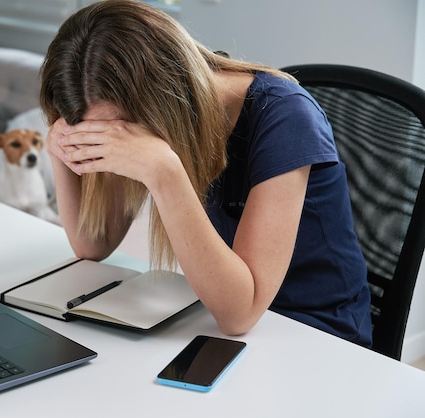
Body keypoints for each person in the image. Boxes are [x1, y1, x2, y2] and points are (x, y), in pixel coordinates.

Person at [39, 0, 372, 346]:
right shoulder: (141, 114)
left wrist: (165, 173)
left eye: (119, 130)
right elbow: (94, 243)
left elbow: (240, 314)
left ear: (164, 100)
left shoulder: (286, 116)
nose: (114, 141)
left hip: (319, 336)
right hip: (219, 315)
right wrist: (61, 150)